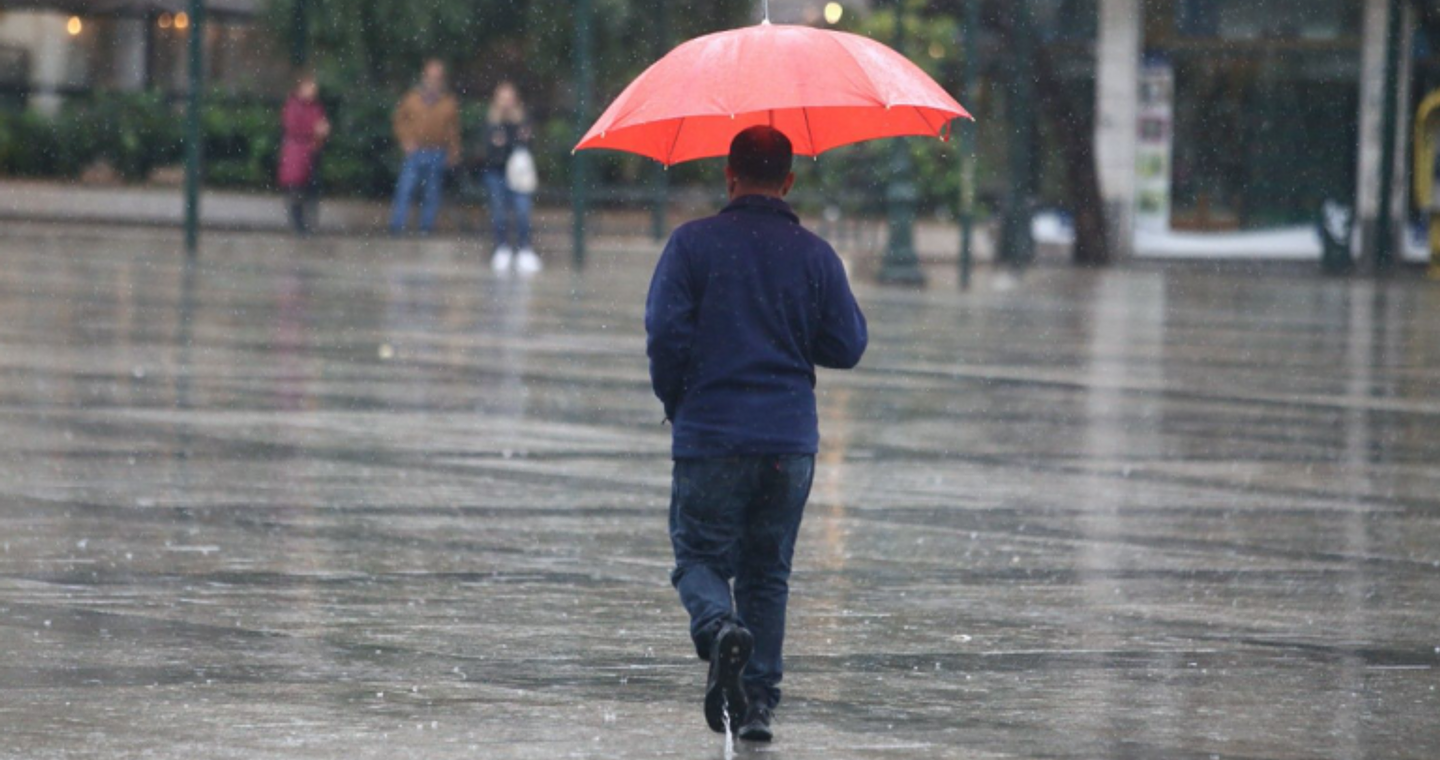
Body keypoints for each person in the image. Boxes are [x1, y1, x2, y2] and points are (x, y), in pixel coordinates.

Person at [645, 126, 868, 743]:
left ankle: (720, 630)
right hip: (788, 442)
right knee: (768, 573)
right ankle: (758, 707)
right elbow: (847, 345)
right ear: (790, 181)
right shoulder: (815, 254)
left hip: (711, 435)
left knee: (698, 558)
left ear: (728, 173)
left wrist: (677, 398)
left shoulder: (691, 246)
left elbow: (665, 335)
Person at [390, 59, 461, 236]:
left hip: (437, 151)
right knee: (405, 189)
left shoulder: (448, 102)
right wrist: (405, 140)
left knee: (432, 193)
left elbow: (453, 129)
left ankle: (426, 229)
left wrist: (454, 151)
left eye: (437, 77)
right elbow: (399, 121)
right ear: (424, 77)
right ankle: (397, 228)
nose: (434, 80)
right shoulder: (411, 98)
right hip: (415, 152)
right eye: (431, 76)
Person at [475, 82, 540, 274]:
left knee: (522, 210)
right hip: (496, 174)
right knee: (499, 211)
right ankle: (501, 248)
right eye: (502, 98)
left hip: (519, 175)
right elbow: (488, 150)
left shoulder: (523, 119)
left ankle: (524, 249)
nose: (506, 103)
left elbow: (525, 145)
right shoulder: (490, 122)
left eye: (509, 98)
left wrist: (507, 142)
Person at [277, 72, 330, 235]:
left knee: (310, 190)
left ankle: (308, 224)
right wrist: (314, 130)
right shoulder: (293, 106)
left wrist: (322, 133)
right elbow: (293, 127)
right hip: (298, 153)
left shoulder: (316, 107)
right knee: (296, 190)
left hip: (312, 152)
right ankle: (298, 224)